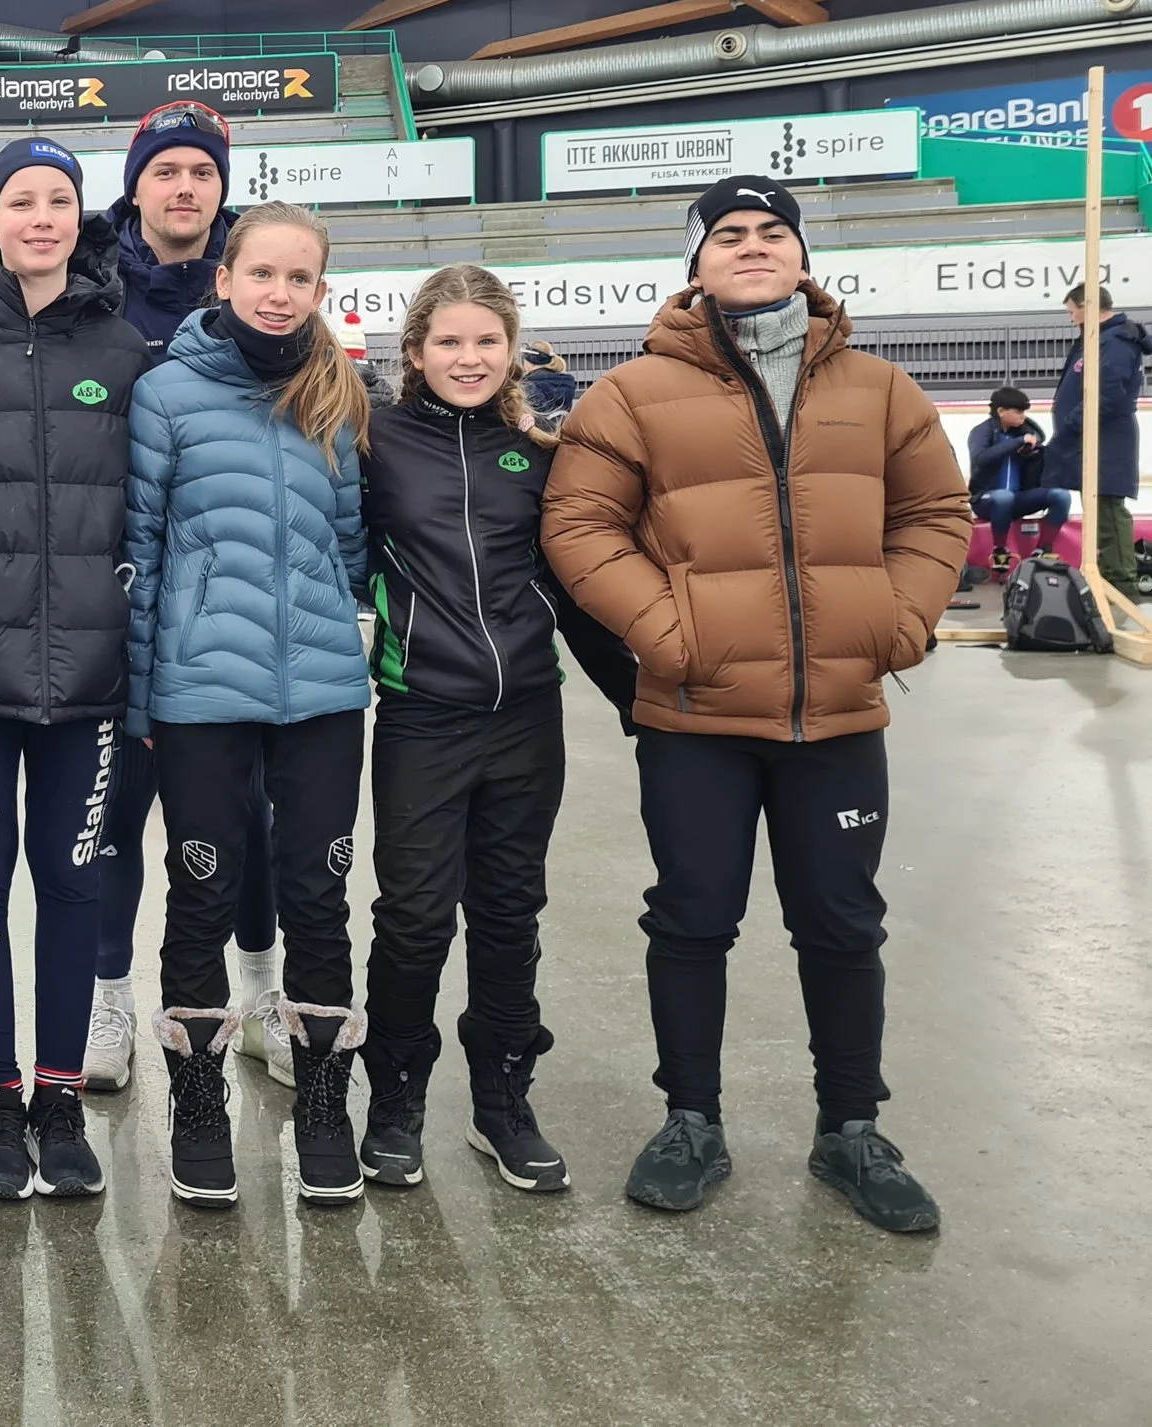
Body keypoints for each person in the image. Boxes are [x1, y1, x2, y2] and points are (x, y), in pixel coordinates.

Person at [543, 174, 967, 1235]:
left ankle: (851, 1131)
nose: (752, 245)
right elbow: (579, 526)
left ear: (802, 255)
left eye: (772, 231)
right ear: (695, 261)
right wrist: (671, 634)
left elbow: (934, 510)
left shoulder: (880, 389)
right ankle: (691, 1121)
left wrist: (896, 624)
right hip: (695, 717)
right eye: (727, 233)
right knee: (691, 918)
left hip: (838, 716)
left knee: (842, 924)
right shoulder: (630, 395)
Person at [357, 266, 640, 1200]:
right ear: (416, 351)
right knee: (413, 918)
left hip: (526, 718)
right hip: (421, 714)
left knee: (511, 913)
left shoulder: (540, 454)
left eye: (486, 340)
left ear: (512, 350)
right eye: (449, 341)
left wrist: (640, 701)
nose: (469, 357)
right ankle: (394, 1101)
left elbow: (573, 592)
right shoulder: (374, 442)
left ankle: (503, 1101)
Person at [0, 137, 150, 1201]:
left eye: (58, 199)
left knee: (73, 885)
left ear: (77, 215)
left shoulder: (125, 349)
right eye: (20, 200)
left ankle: (60, 1099)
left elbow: (147, 509)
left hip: (89, 677)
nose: (41, 217)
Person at [123, 201, 372, 1210]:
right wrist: (144, 696)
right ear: (223, 279)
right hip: (199, 692)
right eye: (260, 273)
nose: (278, 293)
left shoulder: (336, 392)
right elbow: (141, 551)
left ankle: (324, 1110)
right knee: (203, 892)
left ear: (320, 290)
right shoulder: (165, 394)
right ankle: (197, 1108)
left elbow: (349, 545)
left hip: (321, 692)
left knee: (318, 896)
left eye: (298, 278)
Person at [85, 101, 287, 1095]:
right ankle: (108, 1003)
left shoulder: (262, 289)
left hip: (229, 601)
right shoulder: (87, 291)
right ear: (137, 185)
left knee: (247, 817)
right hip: (115, 596)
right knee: (114, 816)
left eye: (201, 171)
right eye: (165, 170)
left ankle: (262, 997)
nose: (184, 187)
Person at [1042, 283, 1149, 597]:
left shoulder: (1114, 342)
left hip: (1106, 439)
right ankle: (1108, 575)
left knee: (1108, 507)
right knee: (1099, 507)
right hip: (1092, 438)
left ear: (1087, 306)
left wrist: (1072, 422)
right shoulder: (1098, 339)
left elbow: (1109, 395)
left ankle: (1121, 583)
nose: (1071, 318)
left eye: (1072, 311)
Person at [967, 384, 1069, 573]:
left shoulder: (1025, 432)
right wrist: (1017, 442)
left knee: (1062, 496)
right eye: (1018, 411)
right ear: (1001, 412)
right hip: (985, 499)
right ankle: (1000, 550)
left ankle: (1042, 550)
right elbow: (981, 459)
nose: (1023, 416)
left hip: (1017, 499)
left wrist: (1035, 453)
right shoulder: (982, 431)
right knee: (1003, 497)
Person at [520, 341, 578, 423]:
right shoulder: (566, 383)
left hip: (538, 429)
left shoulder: (530, 385)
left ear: (530, 362)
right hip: (561, 428)